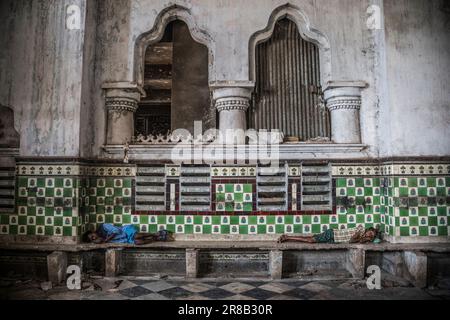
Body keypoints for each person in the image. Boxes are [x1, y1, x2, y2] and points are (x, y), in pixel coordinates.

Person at [83, 224, 174, 245]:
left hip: (125, 231)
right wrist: (99, 241)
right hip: (124, 239)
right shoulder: (99, 239)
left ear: (93, 231)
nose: (94, 237)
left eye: (92, 236)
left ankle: (157, 233)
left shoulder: (103, 226)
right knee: (138, 242)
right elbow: (99, 241)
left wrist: (107, 239)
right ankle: (157, 239)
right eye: (92, 239)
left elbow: (116, 231)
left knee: (136, 236)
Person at [278, 225, 380, 244]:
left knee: (310, 238)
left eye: (372, 236)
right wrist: (366, 239)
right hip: (332, 234)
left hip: (334, 239)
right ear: (367, 230)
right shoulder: (360, 230)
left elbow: (358, 241)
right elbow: (351, 241)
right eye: (370, 233)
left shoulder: (363, 236)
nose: (370, 235)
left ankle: (287, 237)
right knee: (310, 240)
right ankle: (287, 237)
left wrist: (366, 239)